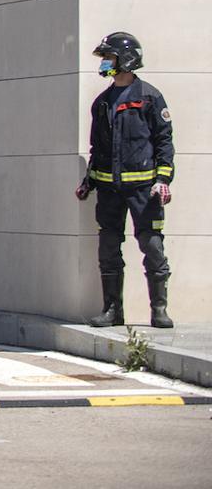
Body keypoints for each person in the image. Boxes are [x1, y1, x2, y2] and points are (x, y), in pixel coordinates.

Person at [79, 31, 174, 329]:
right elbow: (97, 147)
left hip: (145, 190)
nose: (105, 63)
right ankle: (112, 311)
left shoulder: (150, 97)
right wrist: (88, 181)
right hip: (109, 189)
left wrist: (163, 179)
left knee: (152, 245)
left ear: (127, 60)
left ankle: (159, 310)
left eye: (109, 58)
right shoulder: (102, 102)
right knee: (108, 248)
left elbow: (164, 142)